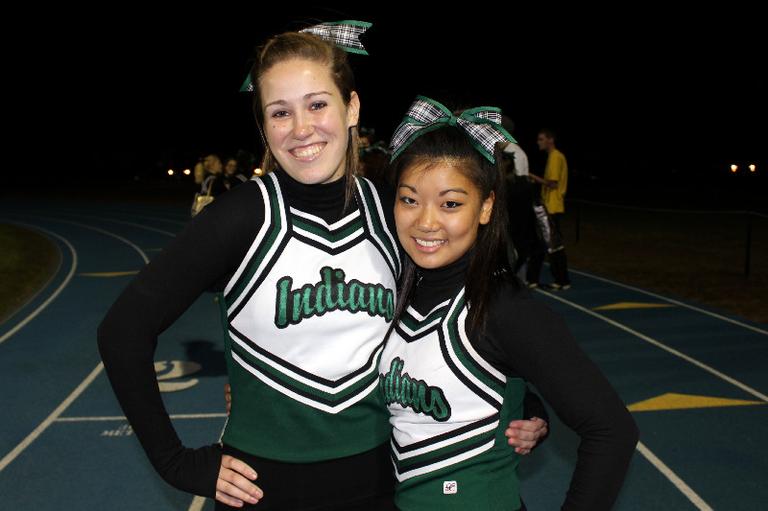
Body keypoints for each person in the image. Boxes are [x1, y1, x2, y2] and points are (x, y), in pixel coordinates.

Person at [98, 23, 546, 511]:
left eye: (316, 105)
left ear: (351, 108)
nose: (301, 128)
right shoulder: (241, 217)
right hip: (261, 489)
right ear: (263, 125)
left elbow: (460, 311)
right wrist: (176, 463)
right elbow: (122, 330)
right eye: (280, 112)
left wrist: (520, 398)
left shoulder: (392, 211)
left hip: (381, 483)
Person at [380, 96, 639, 510]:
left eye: (450, 204)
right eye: (409, 199)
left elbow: (613, 430)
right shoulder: (393, 290)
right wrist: (528, 405)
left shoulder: (506, 307)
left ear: (486, 207)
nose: (425, 222)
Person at [526, 128, 571, 289]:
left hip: (552, 207)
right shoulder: (553, 156)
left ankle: (562, 280)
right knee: (544, 244)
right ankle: (537, 279)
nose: (538, 142)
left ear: (550, 140)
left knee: (553, 245)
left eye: (541, 139)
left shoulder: (555, 157)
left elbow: (552, 183)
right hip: (548, 206)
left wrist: (531, 176)